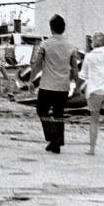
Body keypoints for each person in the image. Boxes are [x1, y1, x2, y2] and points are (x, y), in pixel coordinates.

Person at [30, 14, 78, 154]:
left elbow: (37, 64)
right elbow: (74, 67)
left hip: (47, 84)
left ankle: (54, 135)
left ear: (51, 29)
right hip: (63, 86)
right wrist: (77, 85)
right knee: (59, 113)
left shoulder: (45, 44)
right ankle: (57, 143)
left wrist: (31, 80)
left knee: (41, 110)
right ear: (64, 28)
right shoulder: (71, 46)